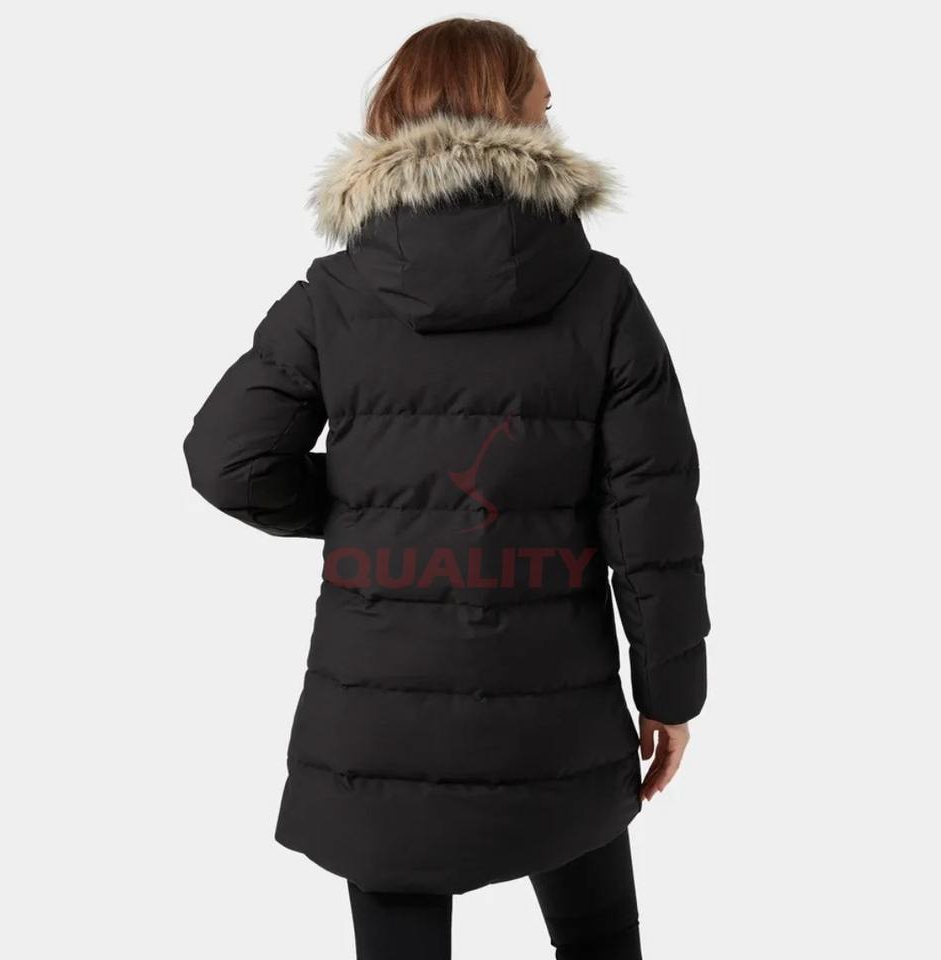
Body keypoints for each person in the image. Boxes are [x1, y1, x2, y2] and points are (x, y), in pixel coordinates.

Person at [184, 17, 709, 960]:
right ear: (510, 119)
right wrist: (672, 693)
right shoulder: (600, 296)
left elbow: (228, 459)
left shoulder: (335, 295)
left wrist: (362, 505)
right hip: (558, 711)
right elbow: (652, 515)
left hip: (379, 718)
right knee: (600, 940)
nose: (554, 117)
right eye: (543, 103)